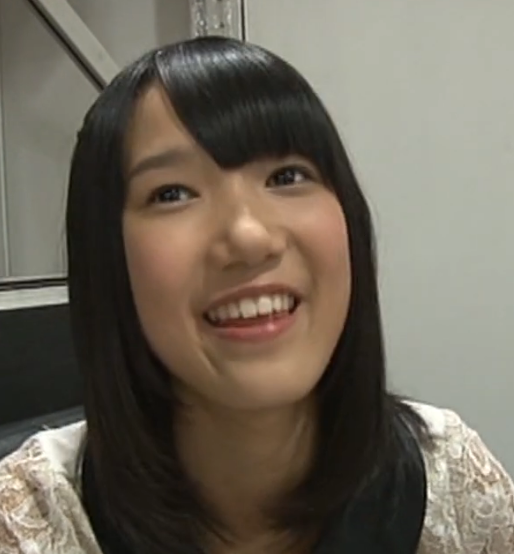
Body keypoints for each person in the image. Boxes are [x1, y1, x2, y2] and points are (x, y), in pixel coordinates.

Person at [0, 37, 512, 554]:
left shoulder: (453, 486)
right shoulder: (32, 522)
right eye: (173, 193)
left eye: (287, 176)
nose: (249, 236)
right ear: (106, 255)